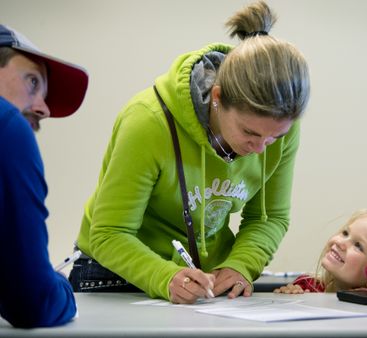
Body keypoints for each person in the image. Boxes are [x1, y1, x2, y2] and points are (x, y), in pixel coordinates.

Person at [69, 0, 310, 304]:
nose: (260, 148)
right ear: (218, 98)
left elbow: (269, 217)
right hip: (112, 272)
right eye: (249, 132)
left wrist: (240, 265)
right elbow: (109, 233)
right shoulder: (148, 122)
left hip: (200, 280)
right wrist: (163, 276)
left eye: (277, 136)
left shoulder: (276, 127)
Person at [0, 24, 88, 327]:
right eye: (32, 82)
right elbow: (33, 301)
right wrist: (59, 284)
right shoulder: (9, 127)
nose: (44, 109)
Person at [273, 209, 367, 294]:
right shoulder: (307, 286)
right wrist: (288, 296)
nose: (340, 242)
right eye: (345, 233)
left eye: (358, 246)